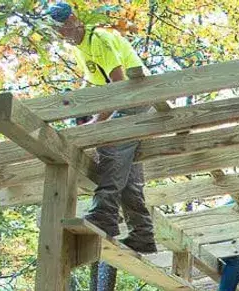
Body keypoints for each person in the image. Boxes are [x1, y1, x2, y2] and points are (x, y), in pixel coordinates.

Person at [46, 2, 157, 254]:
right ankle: (142, 234)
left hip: (135, 99)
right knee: (127, 175)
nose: (60, 33)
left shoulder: (100, 40)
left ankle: (104, 215)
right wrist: (87, 115)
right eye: (56, 30)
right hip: (128, 101)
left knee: (109, 147)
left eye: (62, 27)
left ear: (74, 19)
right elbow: (96, 88)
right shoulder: (80, 48)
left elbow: (119, 88)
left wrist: (99, 122)